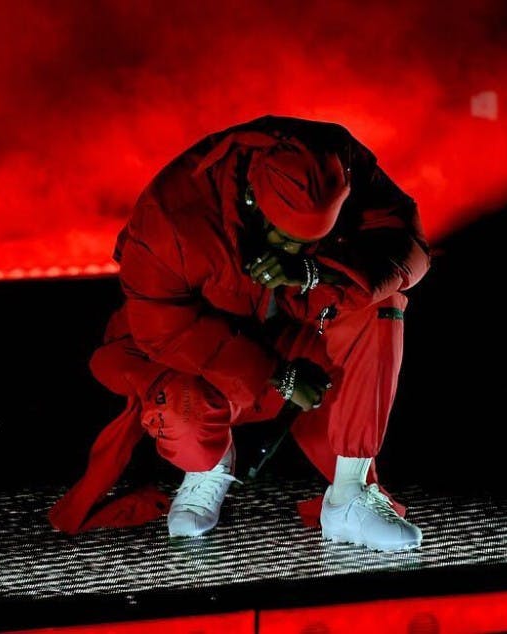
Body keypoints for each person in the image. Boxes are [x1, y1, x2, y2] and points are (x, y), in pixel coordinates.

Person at [48, 114, 432, 551]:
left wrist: (313, 270)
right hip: (203, 356)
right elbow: (161, 326)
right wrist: (277, 375)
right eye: (286, 239)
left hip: (300, 330)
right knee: (182, 412)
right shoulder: (170, 213)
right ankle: (207, 467)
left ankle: (350, 494)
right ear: (253, 201)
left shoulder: (342, 165)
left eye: (309, 241)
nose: (295, 249)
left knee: (381, 303)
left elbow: (410, 247)